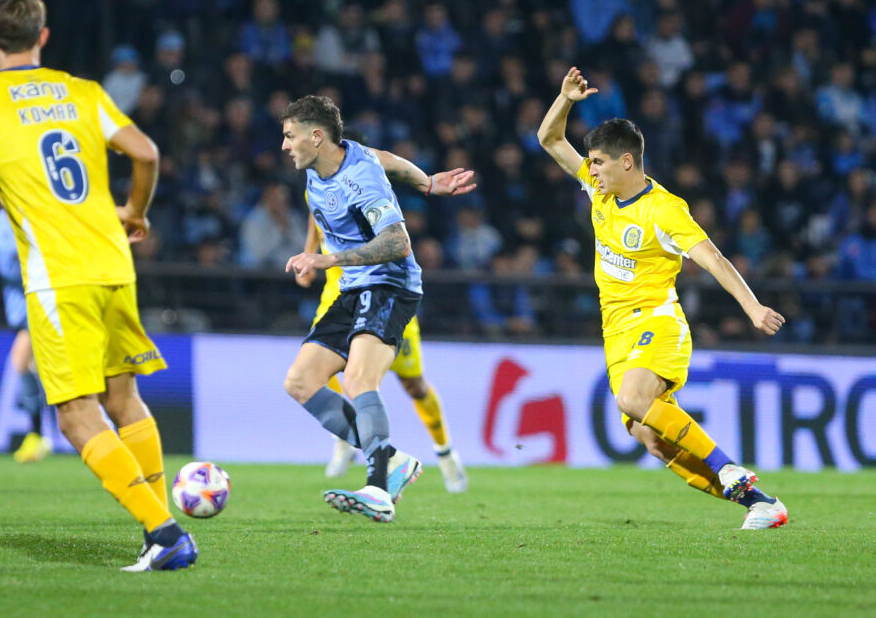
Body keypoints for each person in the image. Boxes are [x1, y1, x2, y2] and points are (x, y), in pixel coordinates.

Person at [0, 0, 195, 570]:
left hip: (58, 275)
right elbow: (147, 152)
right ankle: (163, 529)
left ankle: (163, 532)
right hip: (114, 261)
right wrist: (134, 211)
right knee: (123, 398)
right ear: (43, 37)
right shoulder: (80, 92)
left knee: (75, 414)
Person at [536, 67, 788, 530]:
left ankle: (730, 466)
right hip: (615, 331)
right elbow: (550, 140)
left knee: (634, 399)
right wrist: (565, 99)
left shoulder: (665, 210)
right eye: (590, 163)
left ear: (626, 162)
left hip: (657, 321)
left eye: (599, 162)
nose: (590, 170)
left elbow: (712, 257)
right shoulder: (599, 193)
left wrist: (752, 306)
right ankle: (760, 501)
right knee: (651, 439)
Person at [281, 95, 474, 522]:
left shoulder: (358, 180)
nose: (284, 145)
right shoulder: (335, 161)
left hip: (390, 284)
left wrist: (324, 259)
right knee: (300, 382)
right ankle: (390, 461)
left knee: (358, 380)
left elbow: (397, 242)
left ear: (317, 137)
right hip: (354, 287)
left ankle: (379, 487)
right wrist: (426, 182)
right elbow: (386, 158)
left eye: (290, 136)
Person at [295, 165, 469, 494]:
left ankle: (444, 453)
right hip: (337, 293)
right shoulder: (314, 183)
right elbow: (316, 219)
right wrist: (309, 252)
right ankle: (349, 441)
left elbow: (392, 239)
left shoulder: (364, 184)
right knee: (315, 370)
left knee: (413, 385)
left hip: (378, 291)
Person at [0, 198, 50, 463]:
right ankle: (40, 433)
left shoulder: (40, 216)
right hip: (18, 310)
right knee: (32, 367)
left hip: (45, 301)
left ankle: (37, 435)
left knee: (20, 360)